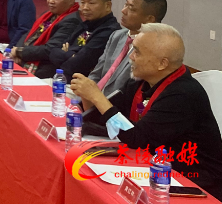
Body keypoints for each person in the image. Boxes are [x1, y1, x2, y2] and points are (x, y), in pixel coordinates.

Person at [71, 23, 222, 199]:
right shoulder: (140, 82)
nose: (131, 57)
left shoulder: (183, 94)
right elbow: (106, 119)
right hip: (153, 165)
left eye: (137, 52)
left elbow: (137, 138)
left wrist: (98, 97)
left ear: (162, 64)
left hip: (194, 180)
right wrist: (87, 96)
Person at [88, 0, 168, 96]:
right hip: (91, 96)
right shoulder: (117, 35)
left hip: (115, 103)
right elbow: (97, 73)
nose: (123, 11)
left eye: (131, 8)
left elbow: (130, 92)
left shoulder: (153, 49)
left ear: (149, 19)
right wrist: (86, 92)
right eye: (126, 4)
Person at [43, 0, 120, 79]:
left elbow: (77, 65)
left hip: (82, 82)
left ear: (108, 6)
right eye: (82, 2)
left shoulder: (109, 31)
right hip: (62, 77)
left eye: (91, 3)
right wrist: (72, 55)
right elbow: (54, 52)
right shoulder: (86, 24)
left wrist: (68, 52)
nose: (85, 7)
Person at [10, 0, 82, 74]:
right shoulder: (48, 15)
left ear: (71, 0)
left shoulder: (71, 21)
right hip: (28, 57)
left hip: (45, 67)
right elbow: (29, 34)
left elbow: (49, 50)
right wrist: (17, 50)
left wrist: (19, 52)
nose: (51, 1)